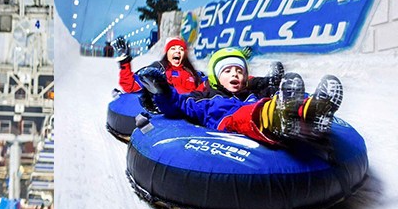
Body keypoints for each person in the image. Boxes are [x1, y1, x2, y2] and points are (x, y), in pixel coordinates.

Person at [137, 47, 343, 147]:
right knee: (247, 113)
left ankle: (313, 113)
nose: (235, 74)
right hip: (230, 123)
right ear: (216, 77)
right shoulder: (206, 99)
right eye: (227, 71)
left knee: (271, 100)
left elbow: (263, 88)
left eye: (239, 70)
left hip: (260, 110)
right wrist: (163, 91)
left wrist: (275, 86)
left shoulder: (249, 93)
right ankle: (281, 117)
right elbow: (178, 103)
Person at [115, 36, 202, 94]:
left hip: (189, 114)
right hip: (166, 113)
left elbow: (204, 92)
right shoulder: (158, 69)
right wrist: (124, 63)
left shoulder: (193, 74)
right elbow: (131, 86)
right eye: (173, 49)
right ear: (167, 53)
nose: (177, 51)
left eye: (181, 49)